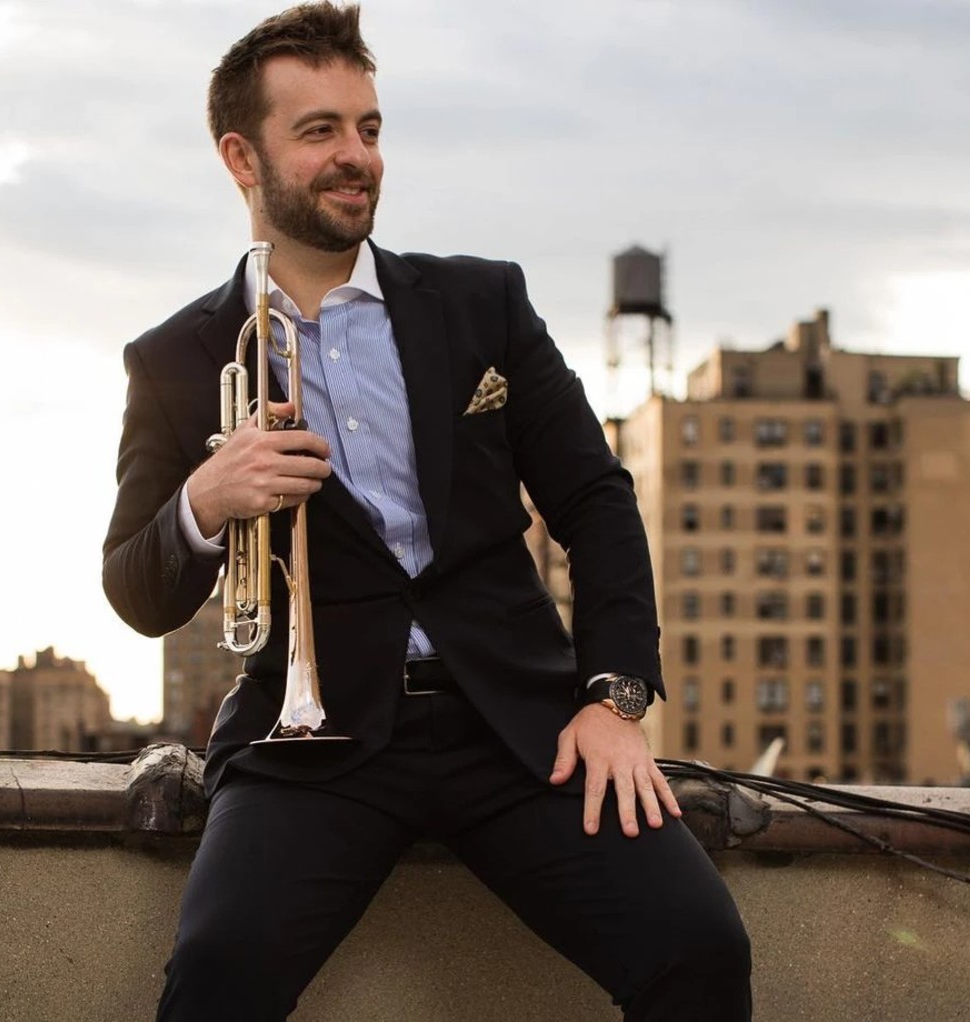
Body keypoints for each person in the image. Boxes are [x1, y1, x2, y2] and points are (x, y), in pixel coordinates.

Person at [102, 3, 752, 1019]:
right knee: (217, 978)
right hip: (308, 749)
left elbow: (595, 498)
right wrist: (207, 495)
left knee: (699, 947)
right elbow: (135, 587)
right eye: (318, 131)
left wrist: (614, 696)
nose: (355, 155)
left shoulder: (482, 302)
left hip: (522, 729)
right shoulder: (178, 356)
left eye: (367, 127)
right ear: (241, 155)